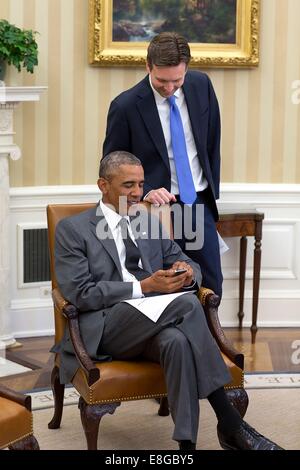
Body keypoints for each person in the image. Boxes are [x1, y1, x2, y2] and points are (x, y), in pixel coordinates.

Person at [54, 151, 283, 450]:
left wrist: (187, 273)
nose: (137, 193)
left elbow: (188, 262)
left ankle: (186, 446)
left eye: (140, 184)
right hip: (105, 327)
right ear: (103, 185)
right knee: (187, 305)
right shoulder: (73, 229)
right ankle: (229, 422)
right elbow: (80, 294)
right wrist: (144, 285)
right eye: (127, 185)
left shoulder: (147, 222)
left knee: (175, 341)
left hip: (155, 321)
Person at [103, 32, 223, 297]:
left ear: (187, 70)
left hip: (196, 204)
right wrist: (144, 193)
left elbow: (212, 143)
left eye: (177, 81)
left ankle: (207, 340)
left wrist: (212, 196)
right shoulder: (125, 106)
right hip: (150, 211)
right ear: (148, 66)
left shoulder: (202, 86)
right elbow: (112, 166)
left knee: (210, 284)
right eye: (161, 81)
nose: (169, 88)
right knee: (164, 287)